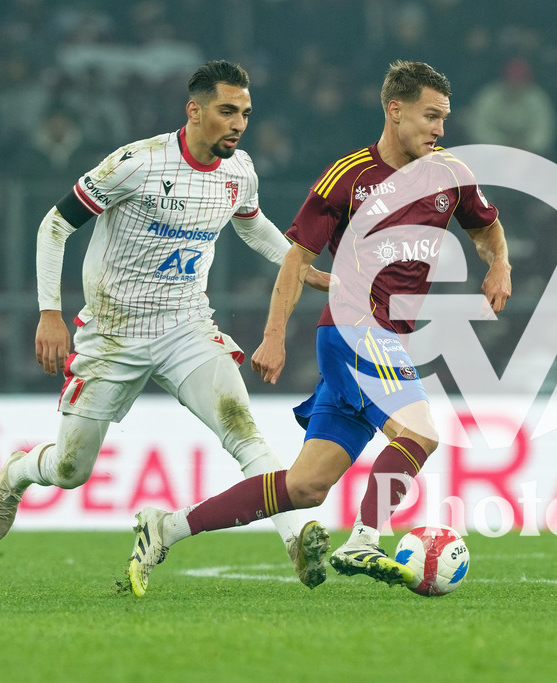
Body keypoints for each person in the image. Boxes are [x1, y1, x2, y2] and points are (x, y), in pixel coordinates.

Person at [126, 60, 512, 597]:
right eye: (430, 117)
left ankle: (167, 526)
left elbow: (488, 227)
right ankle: (364, 538)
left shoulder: (450, 175)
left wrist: (499, 265)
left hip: (383, 340)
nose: (440, 130)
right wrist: (274, 334)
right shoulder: (349, 176)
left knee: (306, 486)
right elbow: (294, 261)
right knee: (420, 434)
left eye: (444, 119)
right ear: (394, 111)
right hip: (354, 330)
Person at [0, 60, 332, 590]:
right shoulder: (137, 164)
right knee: (70, 471)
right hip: (113, 334)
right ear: (194, 110)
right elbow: (54, 225)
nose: (238, 123)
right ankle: (20, 471)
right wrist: (49, 313)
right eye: (227, 111)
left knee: (243, 430)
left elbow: (252, 224)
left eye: (245, 113)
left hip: (186, 327)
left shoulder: (240, 172)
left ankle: (297, 536)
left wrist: (303, 270)